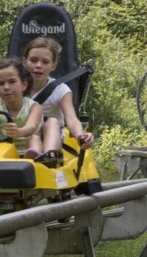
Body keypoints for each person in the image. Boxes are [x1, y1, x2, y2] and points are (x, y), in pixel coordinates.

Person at [21, 36, 94, 164]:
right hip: (20, 137)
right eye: (33, 60)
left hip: (49, 138)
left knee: (52, 122)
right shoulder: (12, 87)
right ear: (24, 62)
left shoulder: (60, 90)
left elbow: (71, 119)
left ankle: (49, 158)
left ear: (53, 65)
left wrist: (80, 135)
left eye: (45, 62)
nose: (38, 65)